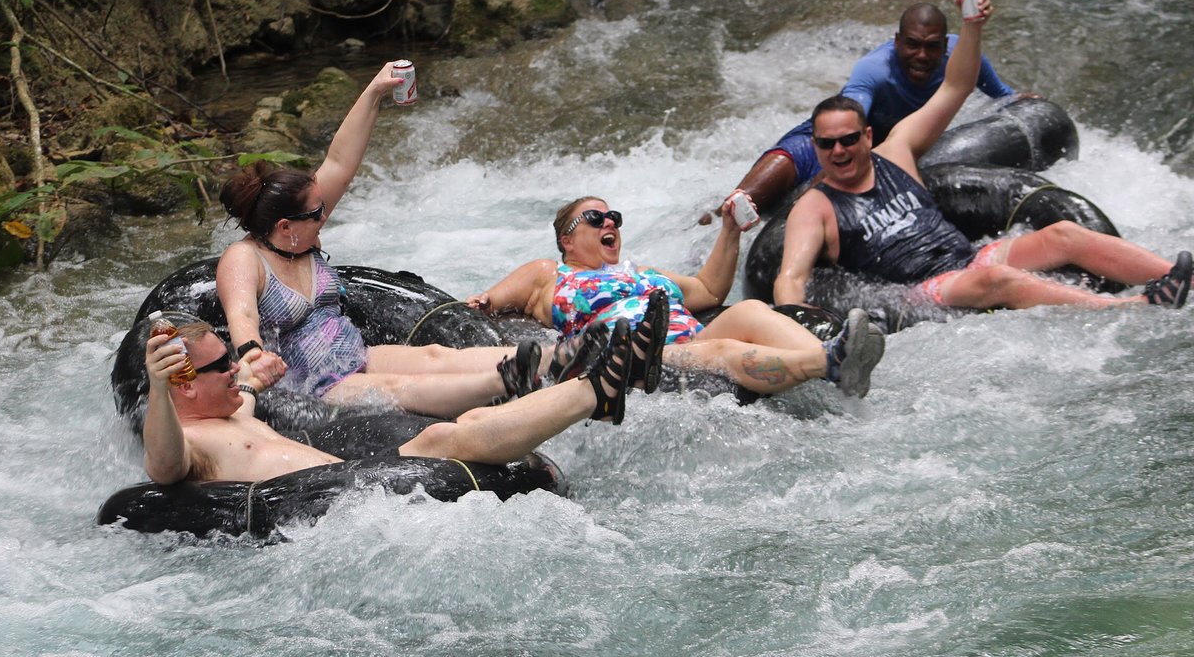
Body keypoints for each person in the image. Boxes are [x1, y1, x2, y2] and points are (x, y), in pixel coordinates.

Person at [774, 0, 1193, 313]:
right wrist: (796, 316)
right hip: (924, 291)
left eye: (848, 139)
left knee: (1063, 233)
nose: (839, 151)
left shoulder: (897, 149)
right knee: (997, 282)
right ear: (817, 145)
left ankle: (1177, 278)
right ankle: (1136, 307)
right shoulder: (815, 208)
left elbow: (956, 85)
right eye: (827, 144)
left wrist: (972, 23)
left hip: (969, 258)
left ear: (867, 137)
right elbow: (790, 277)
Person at [216, 63, 553, 420]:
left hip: (355, 355)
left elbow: (340, 161)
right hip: (315, 385)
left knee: (436, 356)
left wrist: (374, 90)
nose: (325, 216)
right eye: (317, 213)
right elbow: (243, 315)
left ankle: (558, 357)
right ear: (286, 226)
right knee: (398, 389)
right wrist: (254, 353)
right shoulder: (244, 258)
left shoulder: (299, 236)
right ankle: (508, 381)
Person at [142, 316, 661, 485]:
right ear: (182, 384)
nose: (233, 369)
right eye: (220, 367)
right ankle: (599, 390)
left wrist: (251, 374)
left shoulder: (235, 408)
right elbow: (164, 467)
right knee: (441, 436)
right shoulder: (191, 442)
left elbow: (249, 384)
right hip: (336, 506)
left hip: (352, 484)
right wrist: (158, 386)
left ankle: (598, 388)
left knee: (467, 422)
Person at [468, 195, 886, 399]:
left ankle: (838, 359)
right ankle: (827, 363)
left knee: (751, 310)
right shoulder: (551, 272)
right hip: (635, 353)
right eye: (596, 218)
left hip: (687, 337)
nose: (609, 221)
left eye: (614, 217)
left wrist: (729, 231)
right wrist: (484, 301)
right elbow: (493, 300)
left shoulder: (642, 273)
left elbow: (708, 290)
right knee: (724, 348)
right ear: (568, 239)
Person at [711, 0, 1022, 223]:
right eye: (912, 44)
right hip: (828, 141)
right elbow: (847, 122)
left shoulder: (963, 58)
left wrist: (1026, 103)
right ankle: (711, 225)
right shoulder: (874, 70)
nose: (922, 56)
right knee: (750, 195)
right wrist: (829, 173)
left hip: (879, 151)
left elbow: (1002, 97)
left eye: (932, 46)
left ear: (945, 45)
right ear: (897, 41)